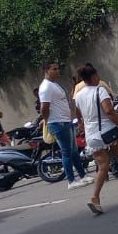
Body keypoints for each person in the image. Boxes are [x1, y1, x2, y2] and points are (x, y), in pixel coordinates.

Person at [75, 64, 118, 215]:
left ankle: (95, 198)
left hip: (91, 136)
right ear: (93, 77)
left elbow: (79, 116)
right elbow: (109, 111)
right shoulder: (100, 90)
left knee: (103, 166)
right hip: (109, 131)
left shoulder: (78, 96)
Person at [39, 62, 91, 190]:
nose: (57, 71)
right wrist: (47, 120)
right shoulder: (46, 87)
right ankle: (71, 181)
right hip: (58, 123)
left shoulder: (53, 84)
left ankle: (82, 176)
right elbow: (44, 108)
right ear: (46, 71)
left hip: (65, 121)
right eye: (54, 69)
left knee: (73, 151)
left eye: (58, 69)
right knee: (67, 152)